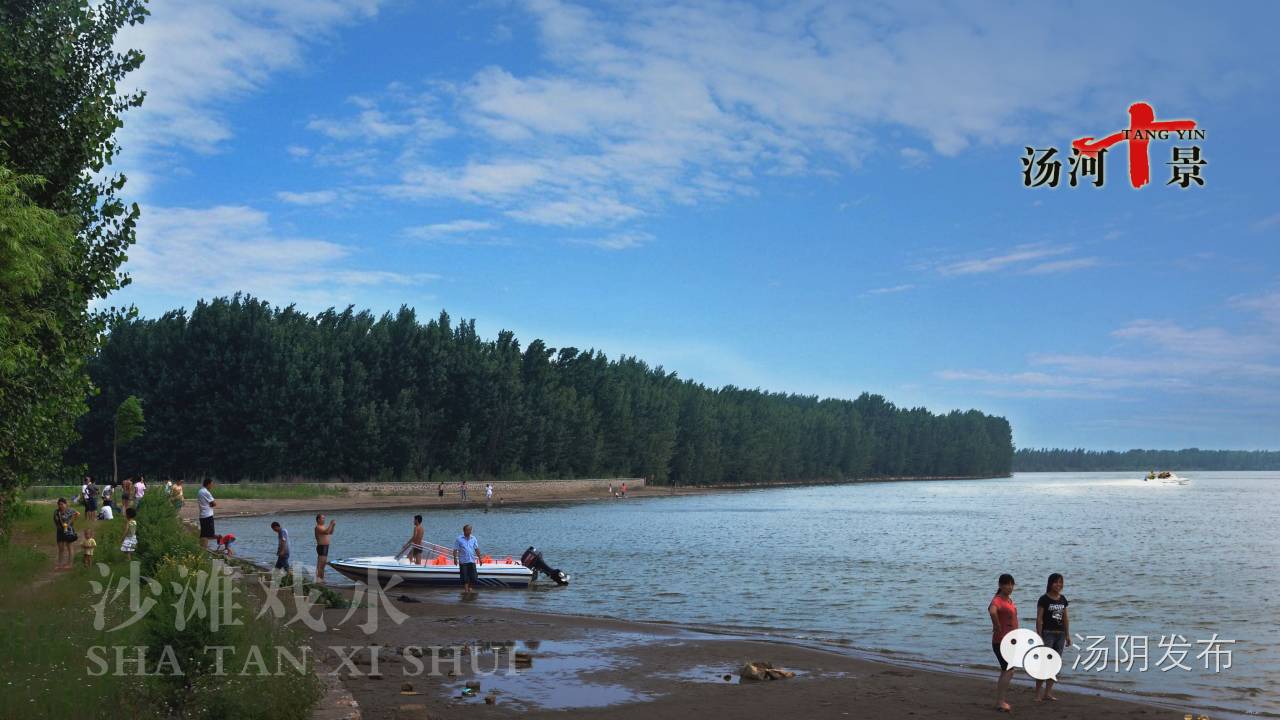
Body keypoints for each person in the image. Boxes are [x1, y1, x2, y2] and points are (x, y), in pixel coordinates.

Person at [1036, 573, 1071, 702]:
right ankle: (1037, 694)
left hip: (1060, 634)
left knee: (1055, 664)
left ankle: (1048, 693)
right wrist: (1039, 635)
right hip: (1048, 633)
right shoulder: (1044, 599)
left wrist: (1067, 635)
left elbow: (1065, 618)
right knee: (1044, 663)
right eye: (1056, 582)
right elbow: (1039, 619)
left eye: (1061, 582)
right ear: (1050, 583)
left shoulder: (1063, 599)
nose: (1059, 585)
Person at [988, 573, 1019, 713]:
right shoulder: (998, 600)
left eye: (1012, 584)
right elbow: (992, 611)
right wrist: (996, 625)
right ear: (1000, 585)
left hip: (1010, 641)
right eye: (1007, 584)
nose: (1010, 587)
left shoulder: (1009, 601)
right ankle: (1000, 702)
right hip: (1000, 641)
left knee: (1005, 670)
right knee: (1009, 671)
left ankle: (1000, 701)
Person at [453, 524, 481, 593]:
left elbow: (476, 549)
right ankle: (466, 591)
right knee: (465, 578)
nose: (469, 532)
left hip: (472, 560)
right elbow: (455, 549)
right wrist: (455, 558)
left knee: (474, 577)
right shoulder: (459, 539)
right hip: (463, 561)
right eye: (467, 530)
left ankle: (470, 588)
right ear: (464, 531)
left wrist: (480, 558)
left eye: (470, 530)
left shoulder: (473, 538)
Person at [53, 499, 80, 570]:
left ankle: (70, 564)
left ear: (66, 504)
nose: (61, 506)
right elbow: (55, 521)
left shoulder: (70, 510)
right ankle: (59, 564)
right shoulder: (56, 512)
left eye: (62, 504)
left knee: (69, 547)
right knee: (60, 548)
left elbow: (77, 513)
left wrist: (71, 522)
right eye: (59, 504)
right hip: (59, 531)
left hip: (68, 531)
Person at [315, 514, 336, 582]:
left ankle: (321, 579)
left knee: (323, 565)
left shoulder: (323, 526)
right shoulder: (318, 527)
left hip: (325, 547)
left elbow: (330, 532)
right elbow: (326, 532)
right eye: (322, 518)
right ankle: (319, 579)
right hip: (322, 547)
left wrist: (333, 526)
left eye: (324, 518)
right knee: (321, 565)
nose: (324, 519)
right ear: (318, 520)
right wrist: (331, 524)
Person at [197, 478, 217, 549]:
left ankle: (203, 548)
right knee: (209, 535)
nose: (212, 486)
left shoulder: (200, 491)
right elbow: (214, 503)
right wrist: (211, 504)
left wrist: (210, 504)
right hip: (208, 515)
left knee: (204, 534)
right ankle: (204, 548)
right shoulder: (206, 492)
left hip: (202, 515)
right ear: (208, 484)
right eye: (211, 484)